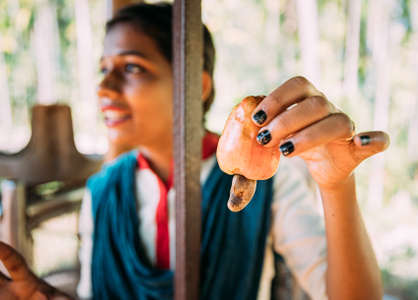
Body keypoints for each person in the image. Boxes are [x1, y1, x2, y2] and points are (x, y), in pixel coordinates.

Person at [0, 2, 389, 300]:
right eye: (104, 70)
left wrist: (337, 186)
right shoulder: (102, 191)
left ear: (195, 86)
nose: (105, 89)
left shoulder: (264, 178)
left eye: (132, 68)